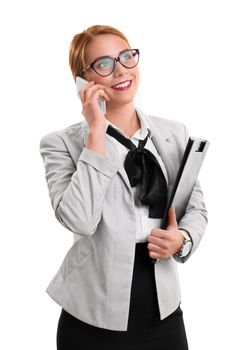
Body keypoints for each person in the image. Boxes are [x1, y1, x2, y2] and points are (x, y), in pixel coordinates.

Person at [39, 25, 208, 350]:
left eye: (126, 57)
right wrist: (96, 134)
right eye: (104, 63)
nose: (120, 70)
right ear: (84, 81)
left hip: (164, 314)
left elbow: (195, 207)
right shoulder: (61, 144)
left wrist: (182, 240)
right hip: (90, 322)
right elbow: (80, 220)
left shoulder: (173, 133)